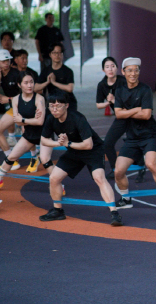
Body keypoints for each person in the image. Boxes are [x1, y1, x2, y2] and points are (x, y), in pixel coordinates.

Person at [37, 91, 123, 227]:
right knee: (54, 178)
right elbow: (43, 140)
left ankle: (114, 213)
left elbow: (88, 145)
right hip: (74, 151)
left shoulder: (77, 118)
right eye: (51, 106)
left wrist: (67, 144)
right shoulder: (50, 119)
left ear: (67, 106)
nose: (54, 109)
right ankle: (58, 210)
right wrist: (58, 144)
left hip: (93, 150)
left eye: (58, 106)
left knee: (99, 177)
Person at [112, 57, 156, 209]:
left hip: (149, 135)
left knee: (150, 163)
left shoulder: (145, 90)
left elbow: (146, 115)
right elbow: (118, 115)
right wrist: (136, 110)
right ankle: (126, 199)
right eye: (129, 70)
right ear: (123, 72)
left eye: (136, 70)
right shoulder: (120, 91)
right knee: (119, 171)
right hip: (132, 138)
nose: (133, 73)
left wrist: (126, 112)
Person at [0, 71, 46, 191]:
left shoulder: (39, 98)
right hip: (30, 134)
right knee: (11, 157)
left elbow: (40, 122)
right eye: (26, 83)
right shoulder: (15, 100)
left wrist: (24, 119)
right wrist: (31, 119)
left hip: (45, 134)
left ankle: (59, 185)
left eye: (31, 82)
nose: (30, 85)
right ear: (19, 85)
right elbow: (17, 121)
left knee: (46, 160)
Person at [0, 50, 23, 166]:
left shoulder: (17, 74)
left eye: (8, 60)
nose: (6, 63)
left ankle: (36, 156)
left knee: (29, 138)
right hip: (14, 107)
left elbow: (26, 96)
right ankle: (11, 160)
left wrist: (8, 99)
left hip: (24, 107)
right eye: (3, 61)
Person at [35, 42, 78, 112]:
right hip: (53, 103)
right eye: (54, 53)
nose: (57, 55)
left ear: (62, 55)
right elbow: (35, 88)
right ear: (50, 55)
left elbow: (70, 88)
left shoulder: (68, 71)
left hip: (68, 103)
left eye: (59, 53)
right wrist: (47, 82)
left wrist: (54, 82)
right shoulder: (46, 71)